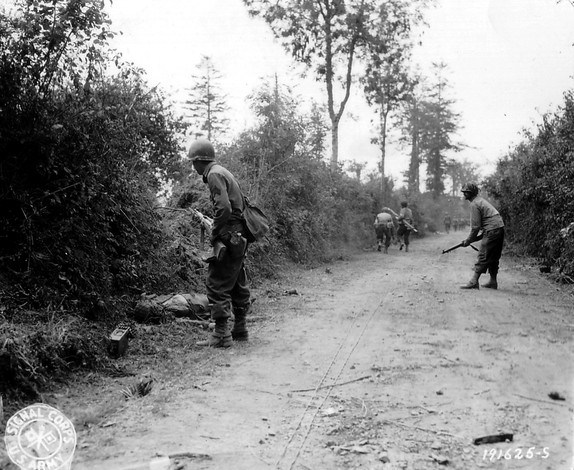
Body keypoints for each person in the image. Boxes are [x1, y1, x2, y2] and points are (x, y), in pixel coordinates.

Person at [189, 138, 252, 347]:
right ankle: (240, 328)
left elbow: (223, 208)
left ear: (200, 160)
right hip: (239, 233)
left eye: (193, 162)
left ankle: (221, 335)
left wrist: (214, 232)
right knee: (236, 280)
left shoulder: (214, 174)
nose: (193, 166)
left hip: (229, 233)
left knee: (217, 281)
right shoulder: (222, 171)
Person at [459, 183, 505, 290]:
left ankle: (474, 281)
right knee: (493, 256)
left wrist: (468, 240)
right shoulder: (480, 201)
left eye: (466, 192)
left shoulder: (475, 204)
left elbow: (475, 228)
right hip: (498, 228)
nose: (464, 194)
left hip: (492, 230)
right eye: (464, 192)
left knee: (483, 255)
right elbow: (484, 230)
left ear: (471, 193)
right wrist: (470, 240)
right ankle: (493, 282)